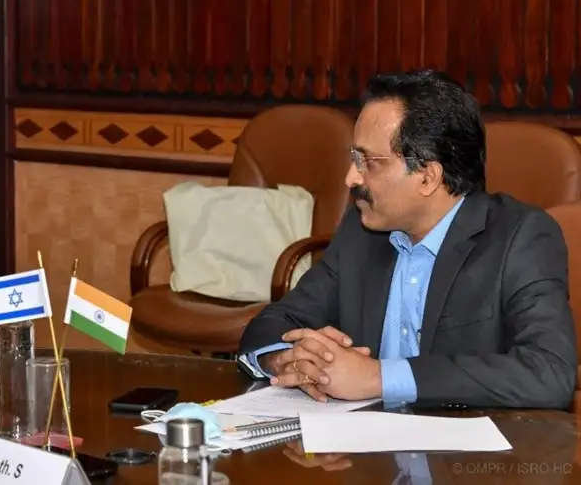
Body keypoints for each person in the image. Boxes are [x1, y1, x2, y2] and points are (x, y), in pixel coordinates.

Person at [236, 70, 577, 410]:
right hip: (362, 439)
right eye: (354, 159)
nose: (351, 178)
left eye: (369, 162)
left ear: (428, 176)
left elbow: (549, 372)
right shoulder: (362, 231)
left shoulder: (521, 237)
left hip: (465, 441)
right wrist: (285, 359)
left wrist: (378, 377)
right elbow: (275, 322)